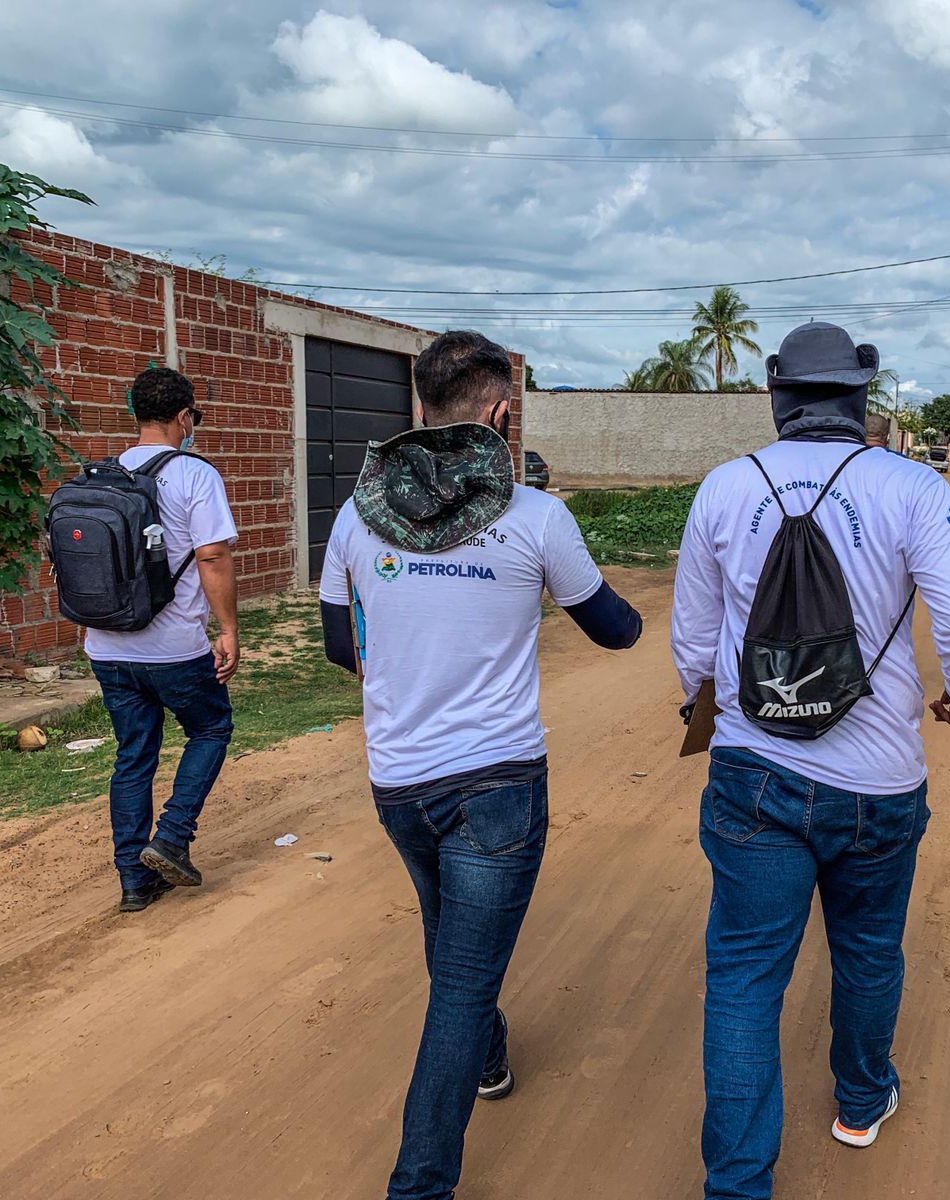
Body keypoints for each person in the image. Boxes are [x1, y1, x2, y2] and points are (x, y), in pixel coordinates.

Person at [671, 322, 950, 1199]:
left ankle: (738, 1185)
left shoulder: (723, 488)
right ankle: (861, 1101)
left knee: (743, 978)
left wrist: (725, 709)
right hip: (879, 780)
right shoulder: (910, 487)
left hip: (753, 775)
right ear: (862, 397)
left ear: (778, 396)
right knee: (867, 946)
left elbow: (693, 648)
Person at [317, 330, 643, 1200]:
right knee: (460, 985)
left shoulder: (355, 516)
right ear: (500, 414)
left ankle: (491, 1057)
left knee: (450, 937)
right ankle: (419, 1186)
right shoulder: (536, 516)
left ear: (420, 408)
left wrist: (416, 659)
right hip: (498, 783)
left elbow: (340, 648)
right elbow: (615, 630)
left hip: (400, 780)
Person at [86, 366, 239, 914]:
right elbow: (213, 555)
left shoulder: (99, 475)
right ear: (183, 416)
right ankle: (172, 836)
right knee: (211, 726)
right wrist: (227, 630)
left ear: (135, 414)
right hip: (172, 646)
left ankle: (134, 881)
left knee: (133, 757)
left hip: (106, 646)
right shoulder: (195, 475)